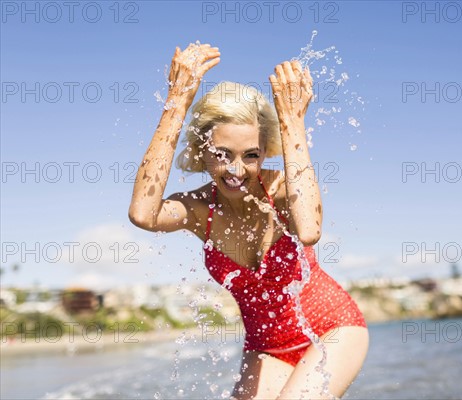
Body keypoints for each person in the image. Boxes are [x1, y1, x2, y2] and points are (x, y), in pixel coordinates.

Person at [129, 41, 369, 400]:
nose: (236, 170)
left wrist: (291, 120)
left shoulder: (283, 190)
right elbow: (143, 214)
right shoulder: (198, 210)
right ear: (202, 151)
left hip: (332, 328)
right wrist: (177, 101)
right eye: (222, 155)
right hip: (267, 348)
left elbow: (309, 230)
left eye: (251, 155)